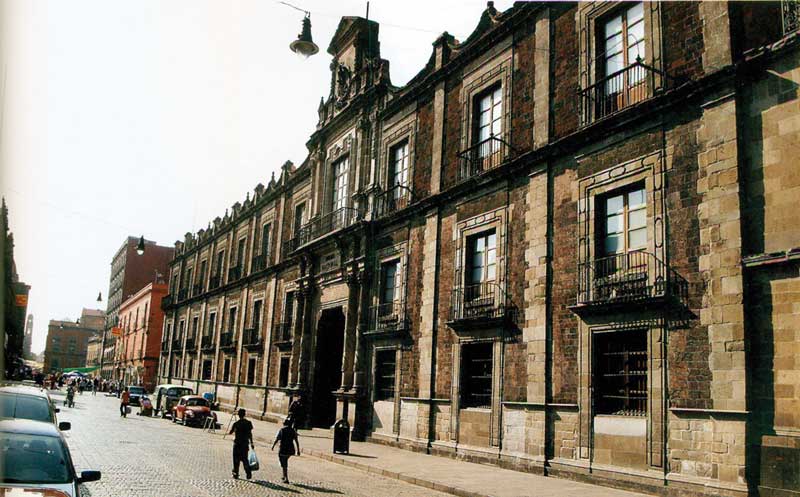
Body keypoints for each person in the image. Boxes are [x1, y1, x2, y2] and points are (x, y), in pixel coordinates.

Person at [271, 418, 300, 484]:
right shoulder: (293, 431)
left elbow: (277, 439)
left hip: (283, 449)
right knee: (284, 461)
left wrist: (273, 446)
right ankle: (283, 475)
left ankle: (286, 477)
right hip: (290, 449)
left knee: (284, 463)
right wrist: (298, 450)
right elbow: (296, 441)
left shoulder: (282, 430)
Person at [228, 408, 254, 480]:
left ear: (238, 415)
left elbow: (230, 432)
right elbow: (250, 434)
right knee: (245, 459)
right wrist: (251, 442)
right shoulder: (249, 423)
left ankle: (236, 473)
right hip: (245, 444)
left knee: (236, 459)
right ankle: (248, 472)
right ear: (244, 414)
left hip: (237, 444)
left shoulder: (236, 424)